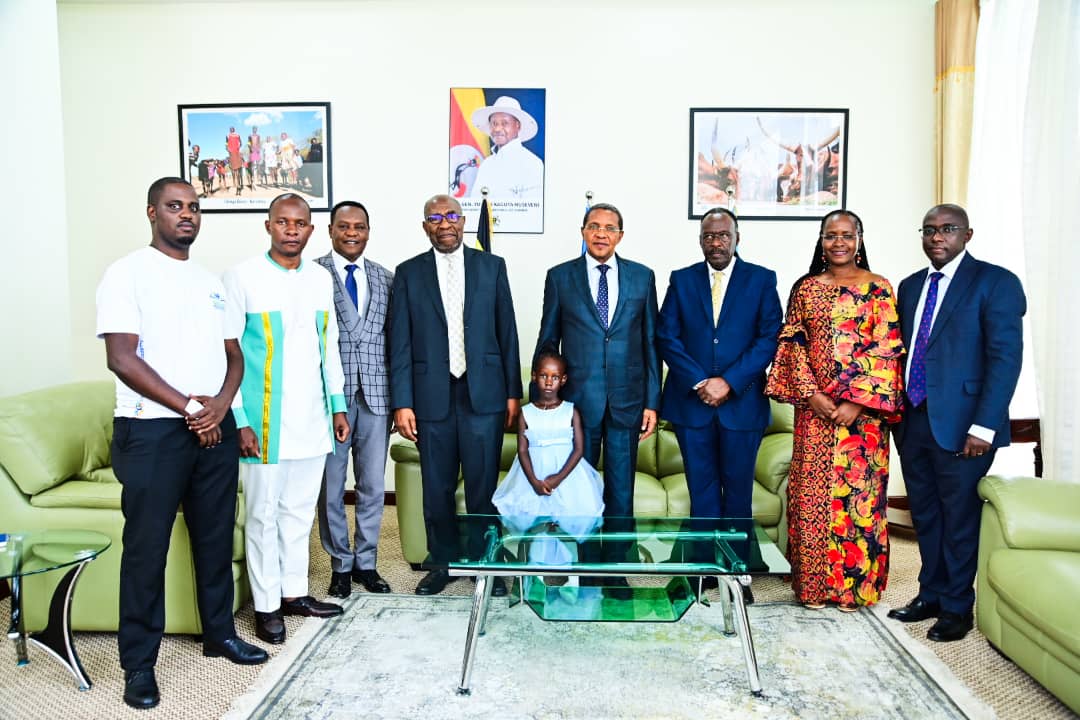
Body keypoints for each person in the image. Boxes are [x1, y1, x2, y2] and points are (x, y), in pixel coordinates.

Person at [97, 177, 268, 710]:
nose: (187, 215)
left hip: (209, 428)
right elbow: (122, 359)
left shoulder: (210, 281)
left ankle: (218, 635)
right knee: (146, 549)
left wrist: (219, 404)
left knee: (214, 537)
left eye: (194, 208)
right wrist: (193, 408)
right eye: (175, 207)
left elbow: (234, 356)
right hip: (152, 431)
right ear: (152, 212)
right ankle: (139, 665)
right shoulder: (125, 274)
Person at [888, 204, 1025, 641]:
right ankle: (930, 594)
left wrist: (984, 427)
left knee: (960, 518)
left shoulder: (995, 283)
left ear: (968, 234)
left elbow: (1005, 359)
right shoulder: (910, 287)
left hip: (967, 427)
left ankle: (957, 608)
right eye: (929, 230)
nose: (936, 238)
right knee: (926, 515)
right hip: (913, 419)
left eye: (947, 229)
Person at [224, 193, 350, 645]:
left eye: (300, 223)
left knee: (299, 514)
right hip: (263, 424)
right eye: (283, 222)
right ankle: (266, 605)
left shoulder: (320, 279)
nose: (292, 229)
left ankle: (295, 594)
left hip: (312, 419)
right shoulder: (241, 277)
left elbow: (329, 346)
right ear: (269, 226)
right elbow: (228, 353)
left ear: (311, 230)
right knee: (262, 515)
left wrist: (337, 406)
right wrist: (238, 419)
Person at [765, 209, 904, 611]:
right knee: (810, 499)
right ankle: (812, 588)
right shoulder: (806, 288)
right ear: (820, 240)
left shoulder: (879, 288)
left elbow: (887, 348)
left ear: (859, 238)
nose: (838, 242)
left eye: (846, 235)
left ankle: (852, 591)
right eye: (830, 235)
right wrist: (812, 395)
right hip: (815, 414)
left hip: (864, 420)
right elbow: (791, 343)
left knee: (858, 500)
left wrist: (855, 401)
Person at [389, 194, 522, 596]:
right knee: (438, 486)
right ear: (425, 225)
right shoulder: (409, 273)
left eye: (451, 216)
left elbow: (508, 332)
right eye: (435, 217)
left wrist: (513, 393)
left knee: (483, 487)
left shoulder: (491, 267)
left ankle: (485, 564)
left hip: (485, 394)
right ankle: (443, 563)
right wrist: (402, 401)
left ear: (463, 222)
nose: (444, 223)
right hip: (431, 397)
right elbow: (400, 343)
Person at [535, 203, 661, 593]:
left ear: (620, 235)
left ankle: (618, 571)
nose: (601, 234)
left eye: (610, 228)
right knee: (580, 493)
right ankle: (584, 569)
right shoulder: (560, 277)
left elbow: (650, 343)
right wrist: (541, 402)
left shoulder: (642, 277)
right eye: (594, 226)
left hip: (627, 400)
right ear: (583, 231)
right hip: (576, 405)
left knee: (621, 491)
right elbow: (547, 340)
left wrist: (652, 402)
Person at [657, 207, 782, 520]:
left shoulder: (761, 279)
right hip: (691, 404)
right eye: (708, 236)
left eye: (723, 235)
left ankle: (738, 567)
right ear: (700, 241)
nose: (716, 242)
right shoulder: (682, 280)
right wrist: (701, 381)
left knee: (739, 494)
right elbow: (666, 336)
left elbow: (769, 337)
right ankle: (704, 569)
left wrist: (728, 382)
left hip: (742, 405)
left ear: (737, 238)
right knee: (701, 494)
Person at [314, 201, 395, 598]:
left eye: (359, 227)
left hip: (378, 397)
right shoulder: (311, 275)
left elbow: (396, 341)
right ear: (330, 230)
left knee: (373, 485)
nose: (351, 233)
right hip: (330, 401)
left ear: (368, 231)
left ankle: (367, 561)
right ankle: (340, 564)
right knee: (331, 486)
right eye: (343, 226)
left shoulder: (386, 278)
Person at [493, 348, 605, 538]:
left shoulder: (571, 411)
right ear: (534, 376)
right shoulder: (526, 412)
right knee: (532, 522)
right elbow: (522, 450)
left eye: (554, 377)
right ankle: (530, 561)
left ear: (563, 380)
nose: (548, 381)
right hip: (532, 476)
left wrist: (558, 478)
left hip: (567, 476)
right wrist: (535, 482)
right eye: (544, 375)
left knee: (570, 517)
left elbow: (578, 450)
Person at [469, 96, 544, 199]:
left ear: (518, 126)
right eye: (494, 123)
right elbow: (475, 204)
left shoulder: (532, 164)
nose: (497, 129)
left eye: (504, 123)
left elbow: (533, 212)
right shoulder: (486, 164)